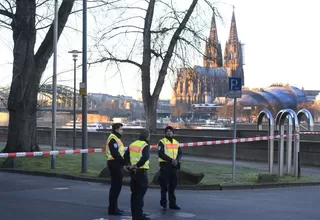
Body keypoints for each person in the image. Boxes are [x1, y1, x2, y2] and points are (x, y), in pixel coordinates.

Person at [124, 129, 151, 220]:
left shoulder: (132, 144)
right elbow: (145, 157)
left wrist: (129, 166)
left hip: (133, 173)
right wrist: (137, 166)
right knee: (140, 195)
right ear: (147, 136)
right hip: (141, 172)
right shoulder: (145, 145)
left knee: (134, 194)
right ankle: (138, 216)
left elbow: (126, 156)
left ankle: (134, 215)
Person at [157, 126, 182, 211]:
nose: (169, 132)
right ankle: (163, 204)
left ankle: (172, 204)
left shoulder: (176, 142)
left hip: (173, 167)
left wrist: (177, 160)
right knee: (164, 186)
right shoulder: (162, 142)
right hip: (165, 166)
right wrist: (171, 160)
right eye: (167, 131)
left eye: (170, 131)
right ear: (165, 133)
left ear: (173, 132)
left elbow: (180, 153)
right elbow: (161, 153)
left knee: (173, 186)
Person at [106, 123, 125, 216]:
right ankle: (113, 209)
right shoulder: (113, 139)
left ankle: (114, 208)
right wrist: (124, 162)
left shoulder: (116, 138)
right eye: (121, 129)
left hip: (115, 163)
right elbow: (115, 154)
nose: (122, 131)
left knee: (116, 187)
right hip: (114, 163)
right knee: (116, 187)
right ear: (116, 130)